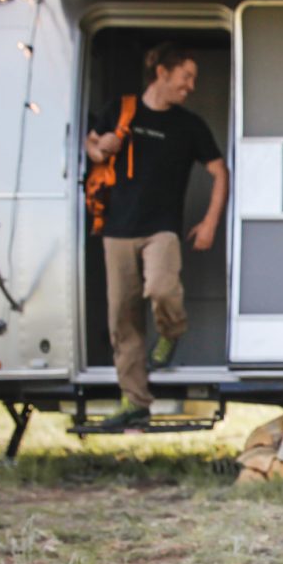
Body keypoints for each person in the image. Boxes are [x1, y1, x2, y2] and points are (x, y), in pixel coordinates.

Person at [85, 42, 229, 430]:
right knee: (123, 319)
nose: (191, 86)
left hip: (161, 228)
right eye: (186, 77)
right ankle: (134, 402)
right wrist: (100, 149)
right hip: (116, 230)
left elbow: (220, 171)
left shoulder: (189, 125)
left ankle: (170, 333)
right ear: (162, 73)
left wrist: (210, 221)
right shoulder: (120, 110)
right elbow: (92, 145)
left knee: (162, 289)